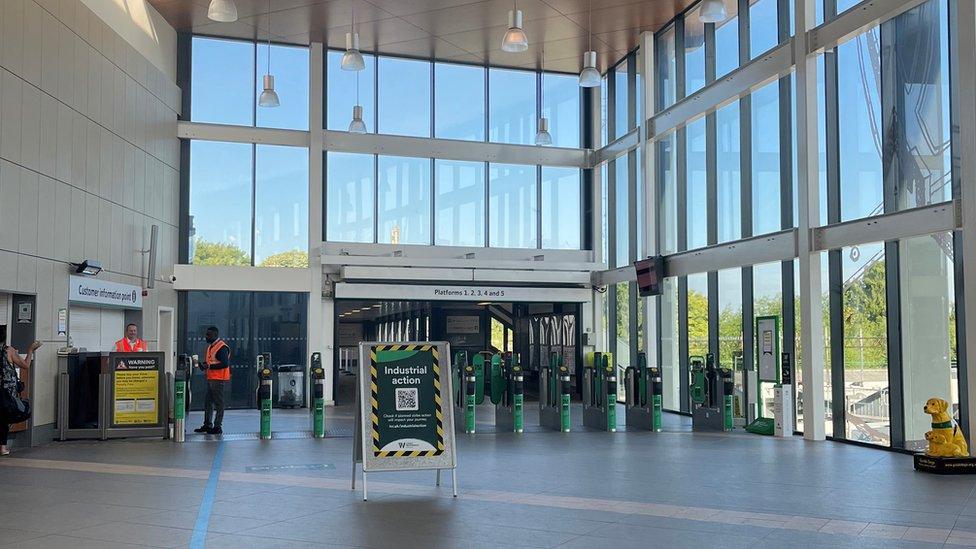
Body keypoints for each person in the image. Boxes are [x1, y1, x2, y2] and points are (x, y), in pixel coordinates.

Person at [1, 340, 41, 456]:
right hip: (7, 392)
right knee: (3, 419)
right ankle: (2, 448)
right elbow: (26, 365)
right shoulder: (9, 351)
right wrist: (31, 350)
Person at [195, 326, 230, 435]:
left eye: (208, 335)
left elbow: (224, 364)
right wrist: (204, 366)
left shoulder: (221, 347)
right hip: (211, 378)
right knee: (208, 403)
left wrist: (209, 367)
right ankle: (207, 424)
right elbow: (212, 362)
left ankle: (217, 426)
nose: (206, 336)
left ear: (215, 335)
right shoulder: (211, 346)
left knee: (219, 403)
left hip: (218, 379)